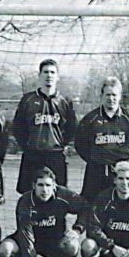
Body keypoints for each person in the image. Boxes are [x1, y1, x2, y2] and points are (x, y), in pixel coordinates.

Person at [0, 167, 87, 257]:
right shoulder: (25, 201)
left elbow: (86, 208)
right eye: (40, 185)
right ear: (34, 185)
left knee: (72, 245)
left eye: (48, 185)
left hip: (54, 241)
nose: (44, 190)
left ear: (54, 185)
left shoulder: (63, 195)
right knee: (5, 249)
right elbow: (26, 237)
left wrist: (77, 229)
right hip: (29, 239)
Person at [13, 59, 77, 194]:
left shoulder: (65, 101)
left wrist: (62, 144)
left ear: (57, 76)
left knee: (58, 194)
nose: (49, 75)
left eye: (52, 72)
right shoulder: (28, 100)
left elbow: (72, 127)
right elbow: (18, 127)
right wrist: (26, 146)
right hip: (32, 154)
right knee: (28, 194)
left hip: (55, 155)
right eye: (46, 72)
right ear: (39, 75)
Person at [74, 77, 129, 205]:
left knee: (119, 205)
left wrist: (122, 159)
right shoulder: (90, 119)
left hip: (119, 171)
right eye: (108, 94)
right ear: (102, 96)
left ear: (120, 96)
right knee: (91, 205)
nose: (111, 98)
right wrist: (95, 159)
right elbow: (80, 144)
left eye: (114, 95)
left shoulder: (128, 120)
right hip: (95, 170)